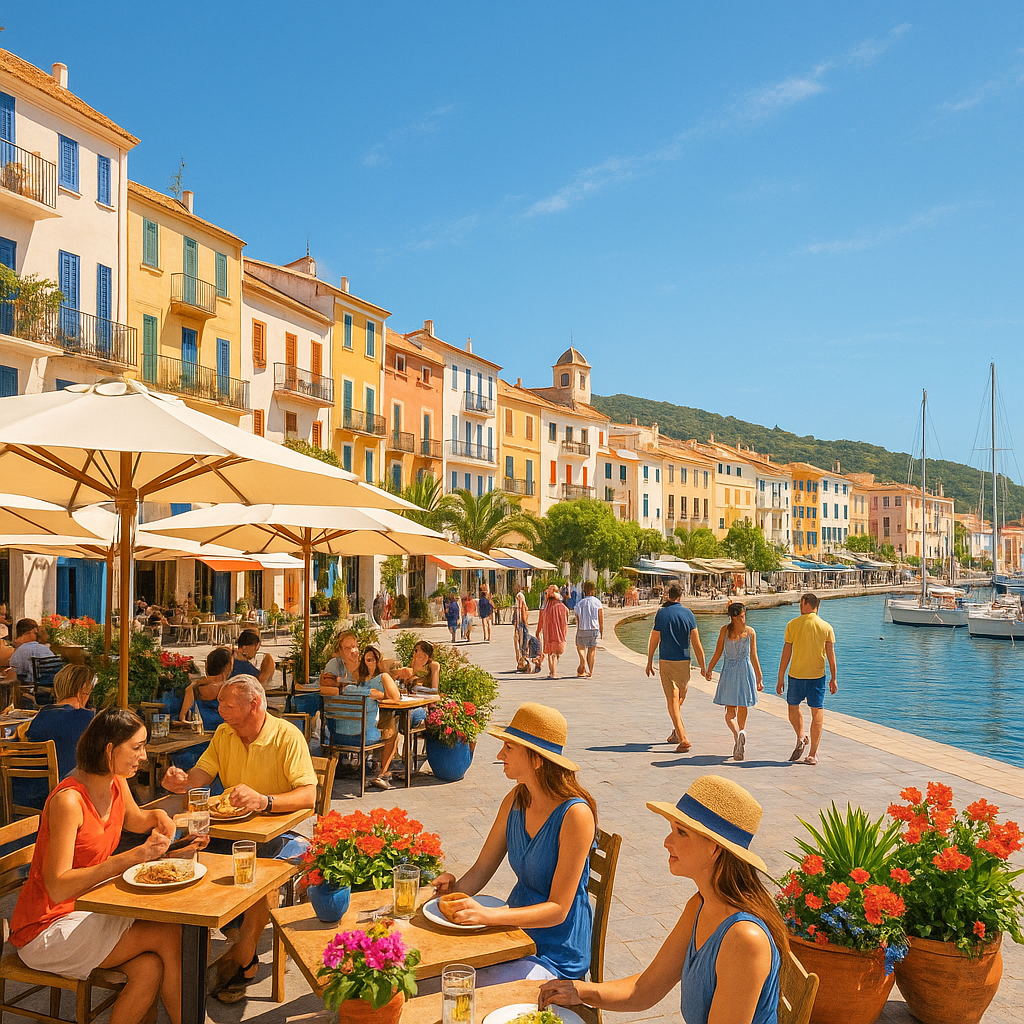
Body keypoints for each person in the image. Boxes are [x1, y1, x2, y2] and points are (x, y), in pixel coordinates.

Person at [539, 775, 785, 1024]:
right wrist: (579, 991)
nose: (667, 842)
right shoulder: (700, 904)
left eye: (681, 832)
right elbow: (644, 990)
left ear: (715, 848)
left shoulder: (745, 939)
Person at [9, 709, 204, 1024]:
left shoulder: (116, 781)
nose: (144, 756)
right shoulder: (68, 801)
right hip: (47, 927)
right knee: (169, 934)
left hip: (88, 908)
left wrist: (158, 817)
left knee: (150, 967)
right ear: (110, 750)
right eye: (136, 747)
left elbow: (135, 819)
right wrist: (132, 857)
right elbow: (57, 886)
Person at [162, 676, 316, 1002]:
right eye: (219, 703)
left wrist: (264, 801)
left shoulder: (287, 736)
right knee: (191, 857)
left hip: (281, 834)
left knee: (259, 873)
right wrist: (182, 783)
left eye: (228, 705)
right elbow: (201, 777)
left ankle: (242, 952)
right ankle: (233, 942)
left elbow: (308, 796)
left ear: (254, 704)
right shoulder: (224, 733)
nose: (220, 710)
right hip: (231, 833)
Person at [433, 703, 596, 983]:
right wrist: (452, 893)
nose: (500, 755)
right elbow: (481, 870)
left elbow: (558, 909)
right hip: (514, 935)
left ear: (536, 759)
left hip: (556, 953)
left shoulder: (575, 816)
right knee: (440, 968)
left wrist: (487, 916)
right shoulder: (516, 799)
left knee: (460, 984)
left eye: (508, 747)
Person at [15, 665, 96, 809]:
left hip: (28, 795)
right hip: (65, 797)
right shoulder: (86, 718)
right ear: (84, 689)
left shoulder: (40, 717)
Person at [776, 593, 837, 766]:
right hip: (817, 676)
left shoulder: (792, 625)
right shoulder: (826, 627)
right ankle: (812, 755)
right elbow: (831, 655)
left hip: (796, 674)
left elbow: (786, 652)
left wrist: (780, 677)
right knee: (817, 711)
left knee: (792, 707)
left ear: (804, 603)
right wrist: (834, 678)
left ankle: (801, 735)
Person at [331, 644, 402, 789]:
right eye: (366, 660)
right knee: (391, 733)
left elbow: (394, 698)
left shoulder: (370, 678)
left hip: (340, 735)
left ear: (378, 660)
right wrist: (376, 697)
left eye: (372, 659)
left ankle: (379, 769)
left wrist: (377, 698)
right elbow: (395, 698)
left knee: (388, 728)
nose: (369, 663)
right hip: (365, 730)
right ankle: (382, 773)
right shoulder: (369, 678)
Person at [645, 583, 706, 753]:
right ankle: (676, 733)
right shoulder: (688, 614)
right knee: (678, 699)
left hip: (667, 661)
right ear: (680, 596)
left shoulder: (662, 614)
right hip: (684, 662)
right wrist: (703, 666)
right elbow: (696, 642)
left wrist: (649, 660)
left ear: (668, 595)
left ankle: (683, 737)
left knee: (673, 702)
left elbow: (654, 638)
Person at [704, 603, 763, 761]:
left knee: (730, 713)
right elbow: (753, 656)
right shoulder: (750, 632)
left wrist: (709, 669)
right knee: (742, 705)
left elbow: (718, 652)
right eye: (741, 616)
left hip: (730, 671)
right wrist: (759, 677)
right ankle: (741, 733)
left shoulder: (725, 630)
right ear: (734, 617)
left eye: (743, 616)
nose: (743, 619)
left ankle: (738, 736)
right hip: (744, 670)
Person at [391, 639, 440, 727]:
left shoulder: (433, 665)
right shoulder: (413, 665)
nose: (415, 654)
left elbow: (434, 690)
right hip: (408, 703)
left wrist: (417, 689)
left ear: (425, 655)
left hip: (423, 705)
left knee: (409, 716)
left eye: (417, 651)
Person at [536, 585, 568, 679]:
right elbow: (565, 620)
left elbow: (541, 617)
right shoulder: (561, 606)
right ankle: (553, 672)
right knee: (554, 653)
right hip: (558, 632)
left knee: (550, 652)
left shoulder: (545, 605)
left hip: (548, 631)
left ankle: (552, 672)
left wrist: (538, 630)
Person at [9, 618, 54, 686]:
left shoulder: (21, 650)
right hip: (52, 683)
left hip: (34, 685)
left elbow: (16, 670)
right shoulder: (45, 648)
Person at [573, 581, 604, 678]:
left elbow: (577, 618)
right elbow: (600, 618)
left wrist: (579, 627)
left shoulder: (580, 603)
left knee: (580, 647)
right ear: (593, 590)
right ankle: (590, 671)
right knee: (592, 650)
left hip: (582, 628)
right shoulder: (597, 602)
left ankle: (582, 660)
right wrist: (601, 630)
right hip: (594, 629)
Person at [319, 630, 360, 695]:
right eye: (347, 648)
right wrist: (343, 685)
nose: (352, 651)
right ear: (340, 651)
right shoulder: (336, 663)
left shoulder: (365, 664)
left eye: (354, 647)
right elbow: (326, 683)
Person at [511, 589, 530, 662]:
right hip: (520, 626)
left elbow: (523, 618)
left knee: (521, 644)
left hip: (521, 626)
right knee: (521, 644)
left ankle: (522, 661)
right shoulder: (520, 609)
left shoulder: (522, 608)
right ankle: (521, 661)